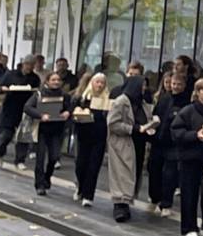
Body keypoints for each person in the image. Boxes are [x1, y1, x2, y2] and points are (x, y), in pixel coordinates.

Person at [169, 76, 203, 236]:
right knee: (189, 192)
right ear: (197, 92)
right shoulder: (188, 111)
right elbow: (176, 131)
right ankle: (189, 226)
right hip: (189, 158)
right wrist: (194, 135)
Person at [105, 70, 147, 223]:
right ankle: (120, 205)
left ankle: (127, 202)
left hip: (138, 143)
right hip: (122, 143)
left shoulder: (141, 102)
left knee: (133, 172)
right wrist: (133, 128)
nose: (144, 89)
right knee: (122, 173)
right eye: (142, 86)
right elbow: (112, 123)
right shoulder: (121, 101)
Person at [147, 66, 186, 217]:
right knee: (154, 169)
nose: (175, 86)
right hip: (158, 139)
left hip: (173, 143)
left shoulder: (185, 101)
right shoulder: (164, 98)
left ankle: (166, 202)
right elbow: (156, 115)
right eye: (173, 83)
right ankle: (155, 197)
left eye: (178, 84)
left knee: (169, 174)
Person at [71, 72, 111, 208]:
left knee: (93, 167)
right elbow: (73, 114)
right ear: (91, 83)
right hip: (83, 135)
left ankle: (88, 195)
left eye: (102, 82)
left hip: (99, 137)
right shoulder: (83, 99)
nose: (99, 85)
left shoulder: (107, 101)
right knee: (81, 165)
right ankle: (80, 187)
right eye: (97, 82)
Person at [30, 71, 71, 195]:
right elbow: (28, 107)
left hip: (57, 130)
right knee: (40, 158)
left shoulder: (64, 95)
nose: (56, 82)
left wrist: (67, 113)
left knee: (54, 157)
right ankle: (39, 185)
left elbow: (70, 107)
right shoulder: (39, 94)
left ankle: (47, 177)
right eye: (53, 80)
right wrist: (40, 115)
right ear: (47, 81)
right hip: (42, 130)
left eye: (58, 80)